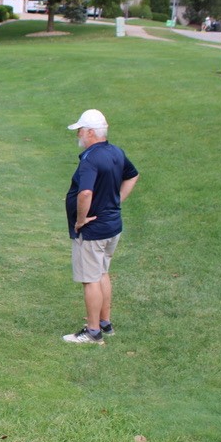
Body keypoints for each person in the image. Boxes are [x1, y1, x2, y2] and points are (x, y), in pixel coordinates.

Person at [62, 109, 139, 345]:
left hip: (93, 231)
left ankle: (93, 332)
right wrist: (115, 201)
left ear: (90, 132)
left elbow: (85, 193)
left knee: (90, 279)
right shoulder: (115, 151)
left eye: (80, 131)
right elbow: (132, 175)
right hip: (112, 226)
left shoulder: (90, 159)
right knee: (102, 272)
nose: (78, 135)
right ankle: (105, 323)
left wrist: (80, 220)